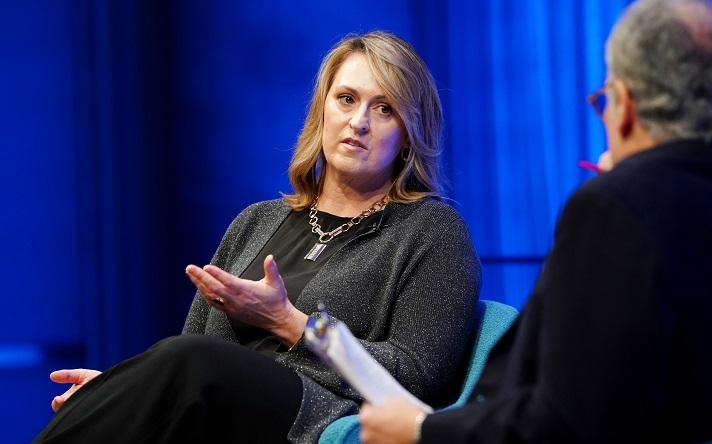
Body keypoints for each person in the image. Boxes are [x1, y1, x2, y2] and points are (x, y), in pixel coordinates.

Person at [359, 0, 712, 442]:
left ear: (622, 106)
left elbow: (565, 425)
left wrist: (420, 429)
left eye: (603, 101)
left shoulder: (616, 209)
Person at [34, 31, 481, 444]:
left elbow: (418, 379)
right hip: (217, 409)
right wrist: (125, 391)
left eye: (384, 109)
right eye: (346, 99)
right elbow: (190, 347)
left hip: (319, 419)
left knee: (190, 364)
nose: (359, 121)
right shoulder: (257, 221)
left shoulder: (432, 231)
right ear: (322, 110)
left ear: (408, 135)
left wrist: (289, 323)